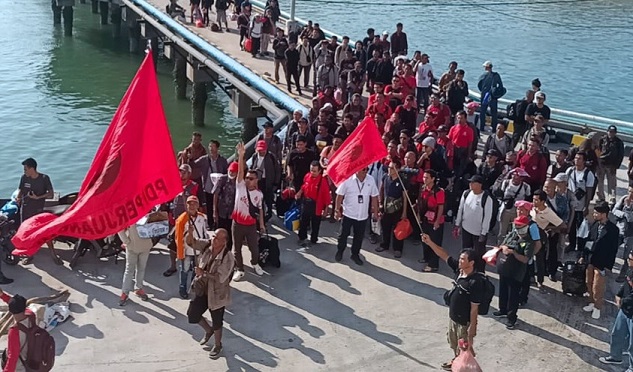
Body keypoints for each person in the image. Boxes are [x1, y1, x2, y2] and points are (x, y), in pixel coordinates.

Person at [421, 236, 482, 371]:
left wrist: (472, 328)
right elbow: (444, 255)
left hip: (463, 322)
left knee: (465, 346)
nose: (459, 261)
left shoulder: (475, 283)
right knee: (454, 342)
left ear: (471, 263)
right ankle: (457, 360)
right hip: (453, 318)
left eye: (462, 259)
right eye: (460, 258)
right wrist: (430, 242)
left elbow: (474, 309)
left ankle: (467, 366)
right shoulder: (459, 271)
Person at [185, 228, 234, 358]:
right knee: (192, 314)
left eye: (217, 238)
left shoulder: (227, 257)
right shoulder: (207, 245)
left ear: (224, 241)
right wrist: (189, 234)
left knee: (217, 321)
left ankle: (218, 345)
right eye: (213, 237)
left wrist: (204, 273)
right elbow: (192, 243)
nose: (213, 240)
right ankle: (208, 330)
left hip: (217, 294)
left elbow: (221, 278)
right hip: (202, 289)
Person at [17, 158, 62, 265]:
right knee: (27, 233)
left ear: (32, 168)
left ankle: (53, 254)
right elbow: (21, 190)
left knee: (45, 232)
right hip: (26, 209)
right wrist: (18, 198)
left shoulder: (44, 178)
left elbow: (50, 194)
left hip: (38, 210)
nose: (24, 171)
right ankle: (29, 255)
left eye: (26, 169)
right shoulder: (24, 178)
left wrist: (38, 197)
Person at [232, 142, 266, 282]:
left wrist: (262, 225)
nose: (247, 180)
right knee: (237, 248)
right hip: (237, 224)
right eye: (246, 178)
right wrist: (241, 156)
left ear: (256, 180)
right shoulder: (240, 186)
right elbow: (240, 171)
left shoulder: (259, 194)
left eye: (250, 179)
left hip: (251, 225)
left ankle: (255, 263)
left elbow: (260, 210)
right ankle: (239, 269)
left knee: (254, 248)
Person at [493, 215, 534, 329]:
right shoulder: (513, 235)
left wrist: (513, 253)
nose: (517, 227)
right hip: (505, 267)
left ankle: (511, 319)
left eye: (519, 225)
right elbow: (503, 243)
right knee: (503, 290)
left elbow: (526, 258)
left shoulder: (528, 241)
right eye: (516, 225)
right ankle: (502, 310)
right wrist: (504, 248)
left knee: (513, 296)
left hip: (516, 272)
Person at [581, 201, 620, 320]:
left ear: (604, 214)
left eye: (597, 213)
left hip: (602, 262)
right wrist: (583, 255)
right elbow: (588, 240)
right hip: (591, 259)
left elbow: (613, 249)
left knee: (598, 286)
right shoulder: (595, 225)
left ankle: (598, 307)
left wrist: (609, 265)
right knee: (589, 282)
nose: (594, 215)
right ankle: (591, 302)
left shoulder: (613, 230)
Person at [334, 167, 380, 265]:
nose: (365, 172)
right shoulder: (348, 179)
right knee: (343, 235)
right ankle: (340, 251)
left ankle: (355, 254)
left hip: (362, 215)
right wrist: (337, 210)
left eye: (367, 169)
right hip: (348, 214)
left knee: (359, 237)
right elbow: (339, 195)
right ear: (357, 170)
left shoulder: (370, 180)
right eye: (363, 169)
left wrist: (375, 212)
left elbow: (374, 197)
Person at [164, 164, 199, 277]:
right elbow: (168, 200)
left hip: (188, 221)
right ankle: (173, 266)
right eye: (180, 171)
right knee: (172, 244)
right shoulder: (174, 184)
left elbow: (200, 204)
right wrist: (168, 213)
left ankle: (192, 266)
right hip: (175, 221)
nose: (181, 174)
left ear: (189, 173)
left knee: (191, 244)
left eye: (184, 172)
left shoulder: (194, 186)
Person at [454, 175, 493, 272]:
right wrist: (457, 224)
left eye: (473, 182)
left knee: (479, 255)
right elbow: (461, 209)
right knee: (466, 252)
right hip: (466, 228)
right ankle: (465, 270)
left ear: (480, 185)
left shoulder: (487, 199)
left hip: (478, 232)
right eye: (470, 182)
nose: (470, 184)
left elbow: (487, 217)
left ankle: (479, 272)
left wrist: (483, 233)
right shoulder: (466, 193)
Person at [598, 263, 633, 366]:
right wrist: (618, 295)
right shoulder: (630, 270)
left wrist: (621, 302)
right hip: (624, 311)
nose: (628, 260)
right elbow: (625, 287)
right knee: (617, 334)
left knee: (632, 344)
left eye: (631, 258)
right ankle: (615, 357)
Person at [189, 140, 228, 229]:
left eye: (213, 146)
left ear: (217, 148)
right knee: (209, 207)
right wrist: (190, 158)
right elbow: (193, 165)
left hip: (219, 189)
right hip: (208, 187)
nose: (211, 148)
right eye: (210, 146)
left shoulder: (222, 160)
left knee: (219, 207)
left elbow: (226, 173)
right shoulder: (204, 159)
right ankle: (211, 224)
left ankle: (219, 224)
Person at [175, 196, 208, 299]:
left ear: (198, 205)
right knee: (184, 270)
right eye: (190, 203)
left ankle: (194, 286)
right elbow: (178, 237)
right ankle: (182, 288)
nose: (192, 206)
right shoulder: (182, 219)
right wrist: (180, 252)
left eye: (194, 203)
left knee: (196, 270)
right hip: (187, 250)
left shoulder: (202, 217)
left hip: (199, 249)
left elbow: (204, 232)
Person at [531, 190, 565, 287]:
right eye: (533, 199)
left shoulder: (549, 212)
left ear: (542, 201)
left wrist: (548, 228)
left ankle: (540, 280)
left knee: (539, 259)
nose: (534, 202)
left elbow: (562, 225)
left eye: (536, 200)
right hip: (530, 234)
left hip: (540, 235)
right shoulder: (532, 208)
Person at [565, 152, 596, 252]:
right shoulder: (570, 170)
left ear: (584, 161)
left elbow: (589, 191)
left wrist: (586, 206)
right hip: (570, 203)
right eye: (576, 158)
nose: (576, 160)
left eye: (579, 159)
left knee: (581, 227)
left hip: (580, 204)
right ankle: (572, 244)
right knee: (571, 224)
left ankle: (581, 247)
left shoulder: (588, 174)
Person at [376, 159, 407, 258]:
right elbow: (381, 190)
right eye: (389, 168)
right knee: (385, 227)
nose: (390, 170)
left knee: (398, 230)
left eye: (392, 168)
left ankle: (398, 249)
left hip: (397, 208)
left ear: (398, 169)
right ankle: (384, 245)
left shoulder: (402, 181)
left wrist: (404, 212)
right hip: (386, 206)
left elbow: (405, 197)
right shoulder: (385, 177)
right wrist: (380, 203)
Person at [295, 161, 330, 247]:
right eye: (311, 170)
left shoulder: (323, 181)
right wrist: (299, 192)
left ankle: (313, 239)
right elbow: (304, 186)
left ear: (319, 171)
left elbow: (327, 196)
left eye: (314, 171)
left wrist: (326, 209)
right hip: (306, 202)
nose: (312, 173)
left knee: (315, 223)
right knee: (303, 221)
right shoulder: (307, 176)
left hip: (316, 205)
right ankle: (302, 237)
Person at [118, 223, 153, 306]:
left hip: (145, 247)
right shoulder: (128, 216)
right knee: (129, 270)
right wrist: (126, 241)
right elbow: (119, 229)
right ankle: (125, 293)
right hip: (132, 248)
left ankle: (138, 288)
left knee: (141, 268)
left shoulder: (146, 215)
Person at [418, 169, 446, 271]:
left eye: (427, 178)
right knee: (425, 240)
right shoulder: (423, 189)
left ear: (433, 179)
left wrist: (437, 221)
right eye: (424, 177)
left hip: (435, 221)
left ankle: (433, 265)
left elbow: (441, 207)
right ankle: (426, 257)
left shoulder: (439, 191)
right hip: (425, 219)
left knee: (435, 242)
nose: (424, 179)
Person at [496, 168, 531, 243]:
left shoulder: (526, 187)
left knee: (515, 231)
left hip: (518, 212)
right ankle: (499, 246)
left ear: (522, 178)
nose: (515, 179)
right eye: (513, 176)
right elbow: (501, 193)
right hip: (505, 210)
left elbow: (528, 197)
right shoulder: (506, 183)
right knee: (502, 231)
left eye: (517, 177)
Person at [0, 292, 33, 372]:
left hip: (21, 366)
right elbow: (15, 303)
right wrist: (2, 295)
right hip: (33, 359)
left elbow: (13, 357)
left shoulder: (14, 331)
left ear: (10, 311)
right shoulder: (31, 316)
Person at [250, 140, 281, 221]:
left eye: (263, 150)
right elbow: (252, 167)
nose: (261, 152)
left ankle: (268, 214)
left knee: (268, 199)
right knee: (259, 199)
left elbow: (277, 170)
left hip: (268, 181)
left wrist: (276, 183)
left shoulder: (271, 157)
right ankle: (260, 215)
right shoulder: (255, 156)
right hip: (258, 181)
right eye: (259, 150)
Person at [213, 162, 238, 262]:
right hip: (222, 212)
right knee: (219, 235)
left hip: (233, 214)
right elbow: (215, 195)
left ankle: (227, 257)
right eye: (230, 171)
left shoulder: (239, 182)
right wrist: (215, 211)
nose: (231, 173)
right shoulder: (222, 179)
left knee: (231, 237)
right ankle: (218, 255)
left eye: (234, 171)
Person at [597, 125, 625, 205]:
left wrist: (616, 166)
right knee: (600, 182)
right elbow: (598, 150)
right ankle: (601, 197)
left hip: (611, 165)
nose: (611, 134)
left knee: (612, 184)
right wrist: (598, 163)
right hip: (601, 164)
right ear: (607, 131)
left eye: (613, 132)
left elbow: (620, 155)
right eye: (610, 132)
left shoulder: (619, 142)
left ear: (615, 133)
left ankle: (611, 199)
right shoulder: (602, 140)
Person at [477, 61, 504, 131]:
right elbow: (501, 85)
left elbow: (479, 85)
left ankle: (482, 127)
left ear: (486, 67)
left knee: (483, 112)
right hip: (493, 96)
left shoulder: (483, 75)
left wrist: (483, 91)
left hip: (484, 96)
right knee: (494, 113)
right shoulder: (496, 75)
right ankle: (494, 128)